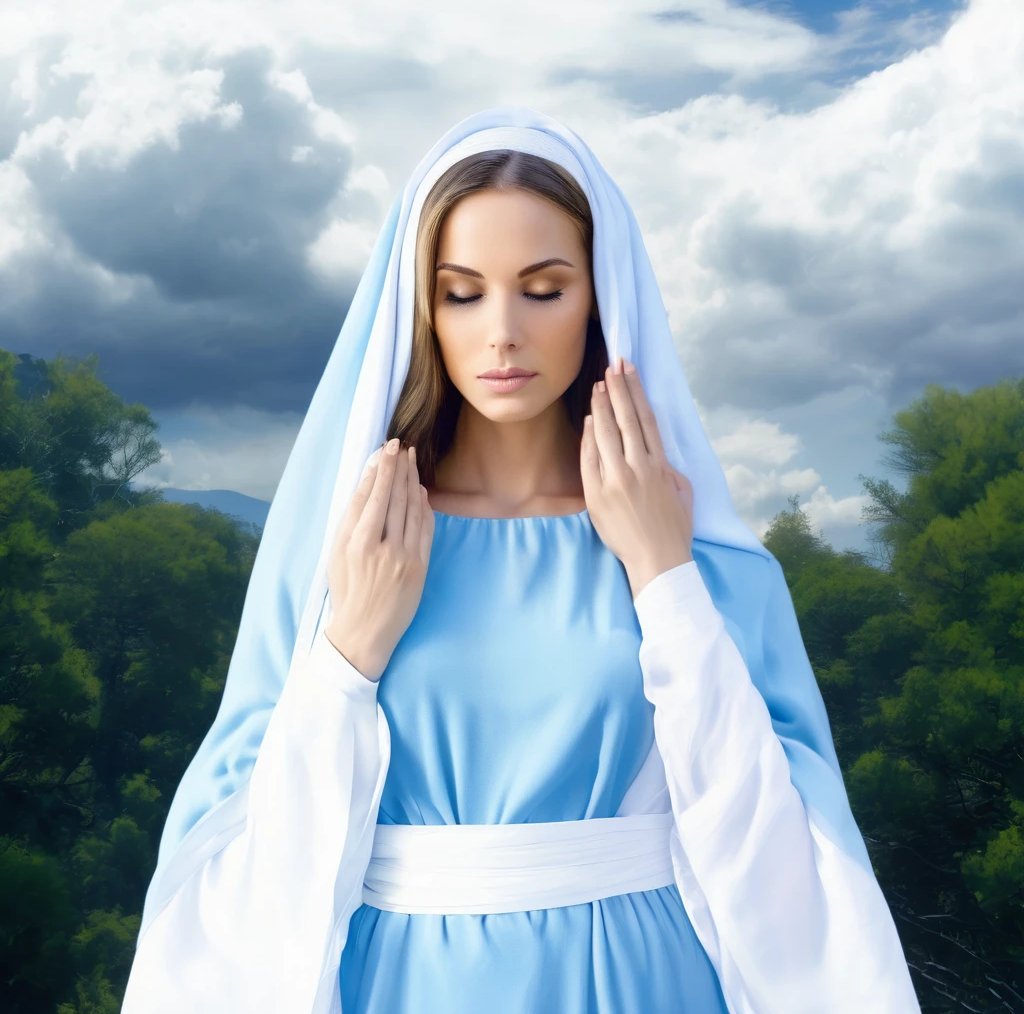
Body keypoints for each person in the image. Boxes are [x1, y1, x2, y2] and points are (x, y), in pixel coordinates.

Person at [122, 107, 921, 1014]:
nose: (501, 331)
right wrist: (348, 652)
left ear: (601, 299)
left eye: (543, 288)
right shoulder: (351, 551)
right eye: (463, 292)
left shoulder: (699, 553)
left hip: (640, 976)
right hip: (404, 979)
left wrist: (664, 579)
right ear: (420, 309)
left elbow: (790, 848)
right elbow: (236, 846)